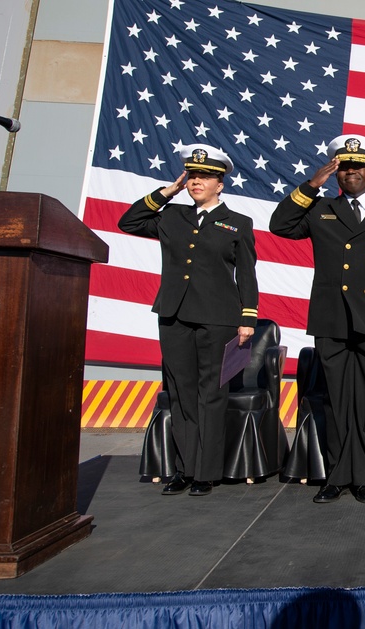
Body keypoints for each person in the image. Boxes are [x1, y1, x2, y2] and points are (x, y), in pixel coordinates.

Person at [269, 135, 365, 504]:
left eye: (358, 166)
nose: (351, 172)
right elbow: (280, 225)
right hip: (332, 319)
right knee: (336, 402)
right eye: (344, 166)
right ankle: (336, 476)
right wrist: (311, 185)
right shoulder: (320, 208)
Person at [118, 144, 258, 496]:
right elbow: (129, 221)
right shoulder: (172, 216)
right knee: (180, 394)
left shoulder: (237, 223)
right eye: (192, 175)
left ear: (220, 183)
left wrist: (248, 318)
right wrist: (168, 191)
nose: (197, 181)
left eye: (205, 176)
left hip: (218, 318)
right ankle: (184, 469)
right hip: (174, 314)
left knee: (211, 394)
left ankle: (205, 473)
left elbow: (247, 275)